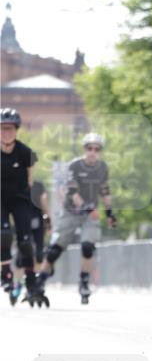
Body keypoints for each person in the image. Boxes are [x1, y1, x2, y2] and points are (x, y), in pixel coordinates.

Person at [37, 132, 117, 304]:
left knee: (88, 247)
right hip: (71, 211)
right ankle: (41, 279)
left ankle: (84, 282)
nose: (93, 152)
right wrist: (88, 208)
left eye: (97, 149)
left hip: (89, 214)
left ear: (100, 151)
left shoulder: (102, 168)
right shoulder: (74, 166)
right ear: (84, 149)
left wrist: (110, 213)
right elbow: (73, 193)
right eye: (90, 148)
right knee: (55, 250)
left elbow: (104, 190)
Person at [0, 108, 44, 306]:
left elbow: (30, 180)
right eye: (2, 128)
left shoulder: (25, 152)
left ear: (16, 130)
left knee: (25, 241)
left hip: (20, 199)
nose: (6, 133)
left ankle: (31, 281)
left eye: (9, 128)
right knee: (3, 233)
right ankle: (6, 273)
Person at [11, 176, 50, 304]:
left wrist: (48, 219)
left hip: (36, 221)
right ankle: (18, 284)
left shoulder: (38, 185)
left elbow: (44, 201)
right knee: (22, 254)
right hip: (23, 222)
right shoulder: (16, 183)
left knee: (38, 254)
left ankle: (34, 284)